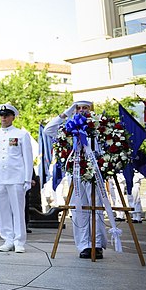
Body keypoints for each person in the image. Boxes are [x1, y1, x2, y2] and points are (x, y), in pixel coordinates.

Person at [43, 100, 107, 258]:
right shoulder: (69, 126)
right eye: (78, 108)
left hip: (95, 173)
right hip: (76, 173)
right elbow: (48, 130)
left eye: (85, 108)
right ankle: (84, 245)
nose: (82, 111)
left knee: (97, 207)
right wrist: (67, 112)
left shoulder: (98, 126)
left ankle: (97, 244)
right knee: (79, 209)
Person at [0, 103, 33, 254]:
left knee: (18, 210)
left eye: (6, 115)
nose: (3, 118)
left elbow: (27, 158)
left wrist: (27, 179)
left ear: (13, 117)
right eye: (1, 115)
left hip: (16, 177)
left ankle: (19, 241)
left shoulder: (21, 134)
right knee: (3, 210)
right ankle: (7, 239)